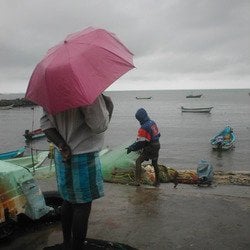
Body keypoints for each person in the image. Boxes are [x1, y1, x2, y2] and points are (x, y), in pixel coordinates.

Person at [40, 94, 113, 250]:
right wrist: (109, 107)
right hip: (84, 154)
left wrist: (62, 144)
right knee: (82, 206)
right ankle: (77, 247)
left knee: (67, 200)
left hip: (63, 154)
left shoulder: (50, 93)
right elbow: (99, 125)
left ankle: (67, 243)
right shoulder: (86, 93)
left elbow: (46, 125)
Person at [126, 108, 161, 187]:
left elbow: (140, 143)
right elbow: (158, 134)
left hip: (150, 147)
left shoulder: (143, 128)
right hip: (157, 145)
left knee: (138, 161)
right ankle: (157, 182)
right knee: (155, 163)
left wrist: (131, 148)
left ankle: (137, 181)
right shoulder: (152, 122)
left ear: (140, 118)